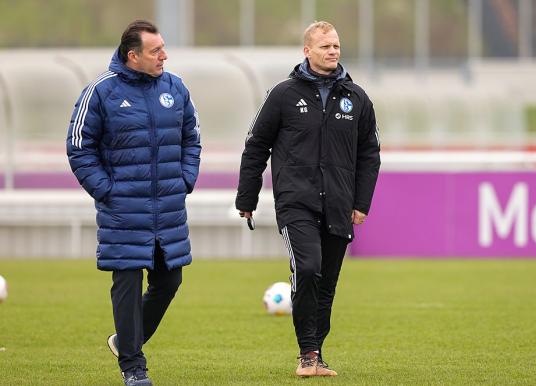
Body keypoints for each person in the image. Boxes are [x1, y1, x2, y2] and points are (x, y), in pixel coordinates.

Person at [236, 21, 380, 377]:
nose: (333, 51)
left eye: (336, 45)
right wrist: (247, 196)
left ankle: (316, 357)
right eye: (325, 46)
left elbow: (370, 153)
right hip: (295, 201)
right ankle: (307, 354)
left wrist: (361, 203)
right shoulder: (283, 94)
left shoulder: (357, 98)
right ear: (307, 51)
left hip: (339, 202)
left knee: (327, 283)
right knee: (309, 268)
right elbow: (256, 146)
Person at [66, 20, 201, 386]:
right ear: (133, 56)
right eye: (156, 51)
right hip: (123, 209)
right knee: (126, 284)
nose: (164, 56)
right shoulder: (101, 92)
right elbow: (79, 147)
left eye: (163, 48)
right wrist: (106, 190)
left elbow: (192, 137)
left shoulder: (175, 87)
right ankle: (134, 367)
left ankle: (125, 341)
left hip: (168, 210)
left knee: (169, 280)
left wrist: (185, 179)